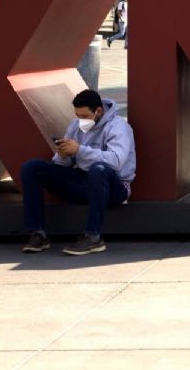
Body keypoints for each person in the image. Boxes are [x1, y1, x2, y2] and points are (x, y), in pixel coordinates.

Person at [21, 89, 136, 255]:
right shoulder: (75, 126)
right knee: (31, 168)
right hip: (84, 183)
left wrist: (80, 150)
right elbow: (63, 165)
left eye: (84, 116)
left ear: (99, 111)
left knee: (99, 170)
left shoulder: (118, 127)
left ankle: (93, 237)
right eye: (77, 115)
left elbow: (116, 162)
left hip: (115, 187)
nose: (81, 120)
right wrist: (62, 155)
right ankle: (37, 233)